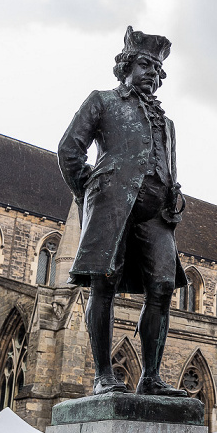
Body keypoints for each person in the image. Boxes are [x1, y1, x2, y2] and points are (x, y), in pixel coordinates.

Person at [58, 26, 188, 396]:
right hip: (111, 204)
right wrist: (92, 188)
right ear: (127, 65)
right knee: (105, 282)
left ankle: (150, 378)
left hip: (156, 214)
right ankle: (103, 375)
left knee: (162, 287)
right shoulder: (102, 101)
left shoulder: (167, 123)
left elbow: (168, 167)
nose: (153, 74)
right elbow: (69, 149)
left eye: (159, 70)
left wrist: (172, 193)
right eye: (146, 65)